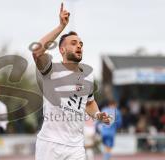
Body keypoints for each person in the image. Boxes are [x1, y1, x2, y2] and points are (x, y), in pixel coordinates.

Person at [32, 3, 111, 160]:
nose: (79, 46)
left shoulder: (88, 76)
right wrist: (61, 26)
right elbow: (36, 51)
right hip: (50, 145)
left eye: (81, 44)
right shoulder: (50, 69)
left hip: (76, 147)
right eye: (73, 43)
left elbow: (89, 103)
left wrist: (97, 114)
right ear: (62, 50)